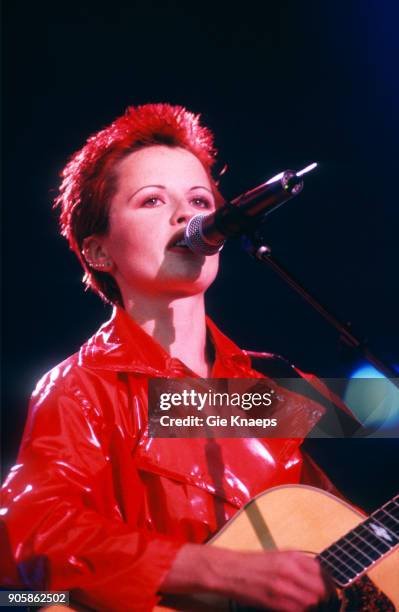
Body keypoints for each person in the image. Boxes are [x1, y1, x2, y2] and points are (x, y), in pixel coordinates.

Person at [1, 104, 342, 611]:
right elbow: (36, 533)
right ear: (97, 252)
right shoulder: (82, 386)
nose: (189, 216)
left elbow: (350, 527)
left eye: (200, 199)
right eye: (153, 200)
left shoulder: (271, 383)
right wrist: (220, 570)